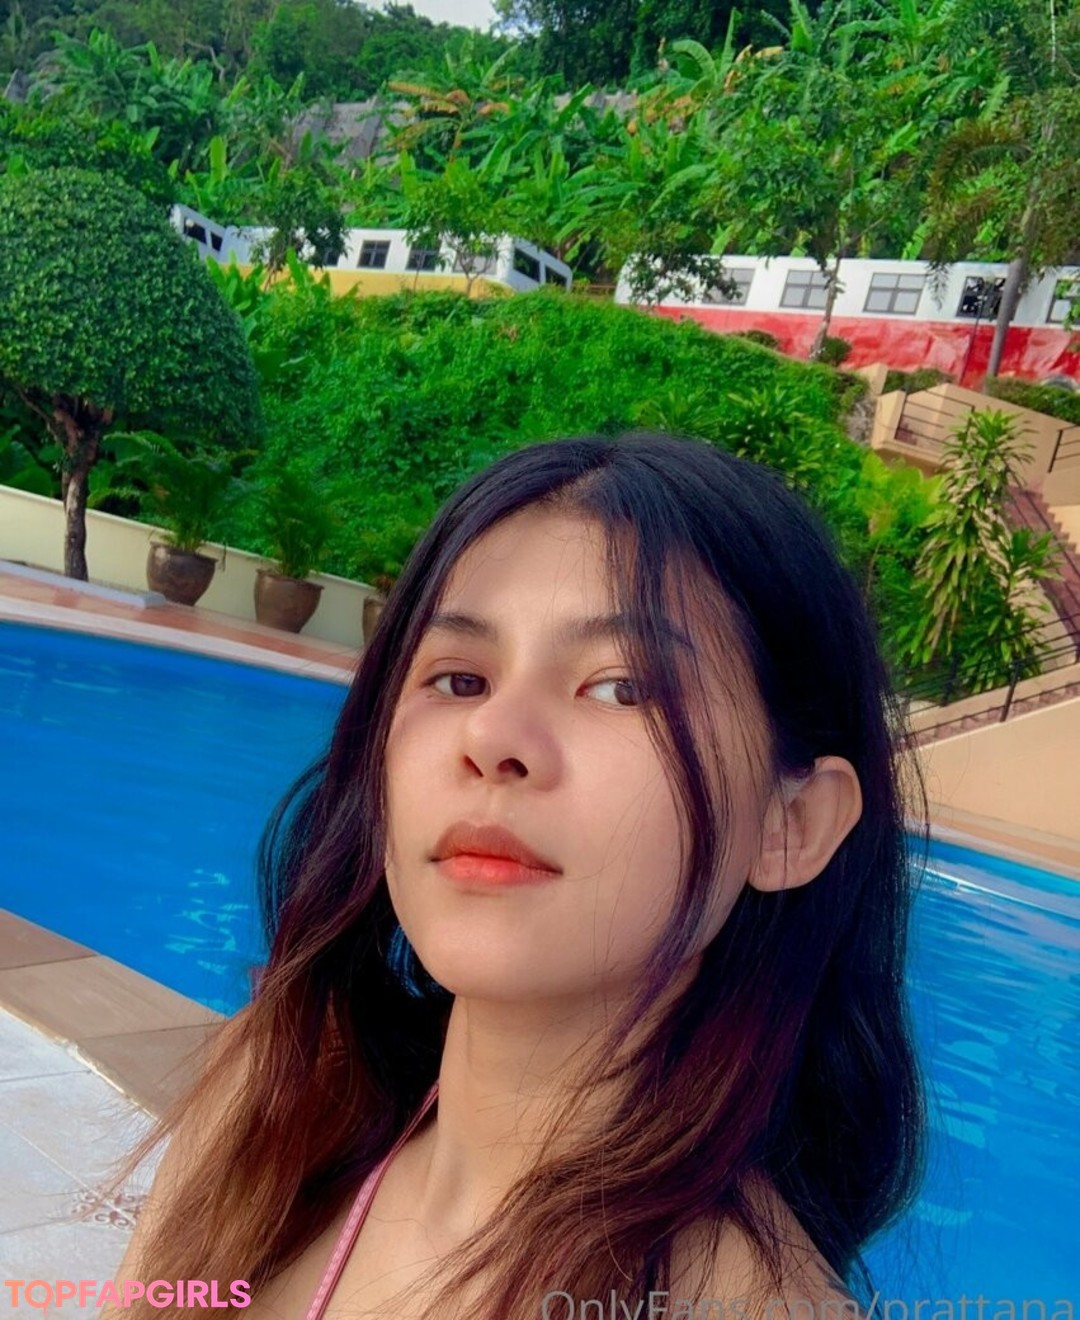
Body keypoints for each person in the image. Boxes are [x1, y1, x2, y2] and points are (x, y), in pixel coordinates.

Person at [106, 431, 927, 1320]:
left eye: (623, 688)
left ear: (790, 825)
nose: (493, 737)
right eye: (459, 680)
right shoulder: (275, 1106)